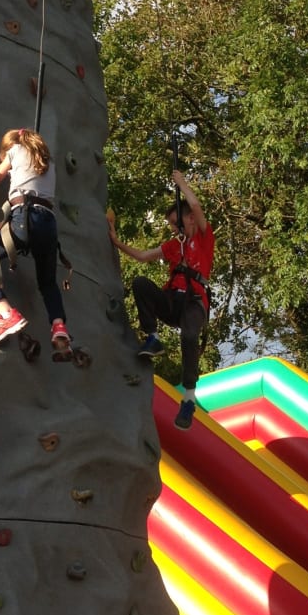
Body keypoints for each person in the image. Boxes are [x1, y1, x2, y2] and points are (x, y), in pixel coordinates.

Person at [109, 170, 214, 429]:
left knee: (189, 335)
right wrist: (116, 242)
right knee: (140, 283)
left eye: (177, 224)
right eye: (171, 226)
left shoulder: (203, 238)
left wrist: (182, 184)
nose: (175, 230)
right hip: (171, 302)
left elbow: (196, 205)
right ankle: (153, 337)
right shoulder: (173, 246)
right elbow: (143, 256)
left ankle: (189, 397)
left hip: (193, 304)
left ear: (190, 219)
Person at [0, 128, 72, 352]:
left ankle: (6, 314)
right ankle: (59, 326)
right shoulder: (48, 162)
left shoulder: (15, 151)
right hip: (48, 224)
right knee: (48, 283)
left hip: (24, 219)